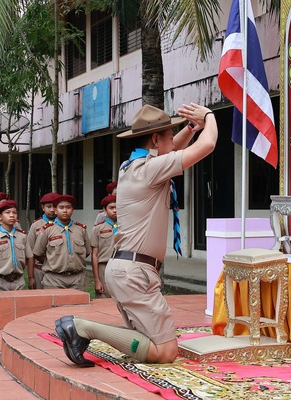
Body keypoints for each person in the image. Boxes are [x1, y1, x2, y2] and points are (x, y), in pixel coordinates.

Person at [55, 102, 217, 367]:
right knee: (165, 352)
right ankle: (82, 328)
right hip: (134, 273)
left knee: (147, 341)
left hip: (127, 269)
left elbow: (172, 147)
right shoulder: (150, 170)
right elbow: (207, 145)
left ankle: (82, 330)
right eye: (166, 135)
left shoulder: (133, 165)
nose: (171, 141)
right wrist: (209, 117)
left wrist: (191, 127)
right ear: (155, 139)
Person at [33, 194, 90, 291]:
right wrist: (53, 262)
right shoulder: (47, 229)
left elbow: (87, 252)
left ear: (72, 210)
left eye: (68, 207)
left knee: (78, 305)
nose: (65, 210)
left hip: (77, 279)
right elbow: (38, 253)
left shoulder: (81, 230)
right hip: (54, 279)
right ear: (55, 210)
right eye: (61, 207)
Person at [0, 200, 31, 291]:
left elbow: (28, 257)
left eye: (15, 213)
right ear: (0, 217)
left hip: (19, 281)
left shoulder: (23, 236)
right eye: (7, 212)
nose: (12, 215)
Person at [26, 192, 60, 289]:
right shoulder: (36, 225)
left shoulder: (63, 225)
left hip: (57, 270)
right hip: (40, 270)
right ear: (42, 207)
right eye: (48, 207)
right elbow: (30, 253)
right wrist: (31, 277)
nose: (52, 210)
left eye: (55, 207)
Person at [90, 194, 118, 298]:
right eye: (111, 208)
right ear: (104, 210)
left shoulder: (127, 228)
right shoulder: (98, 229)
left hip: (123, 267)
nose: (115, 210)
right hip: (104, 267)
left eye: (117, 207)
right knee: (104, 298)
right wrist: (97, 280)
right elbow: (94, 255)